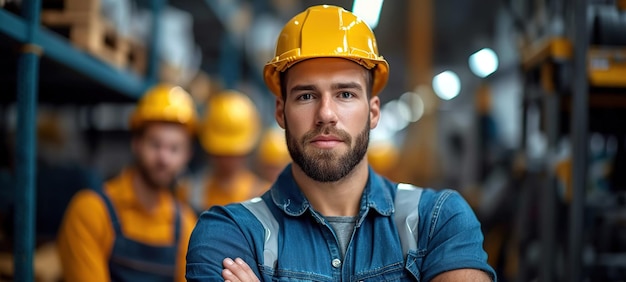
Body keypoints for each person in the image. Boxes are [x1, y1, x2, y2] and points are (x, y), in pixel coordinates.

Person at [186, 5, 496, 282]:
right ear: (281, 111)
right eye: (306, 95)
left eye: (345, 94)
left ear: (373, 111)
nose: (326, 114)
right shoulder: (229, 234)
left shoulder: (440, 219)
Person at [57, 84, 199, 282]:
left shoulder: (185, 224)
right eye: (155, 144)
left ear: (187, 156)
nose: (163, 159)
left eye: (174, 149)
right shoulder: (91, 211)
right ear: (136, 144)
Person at [178, 90, 269, 213]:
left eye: (233, 153)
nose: (226, 161)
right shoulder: (188, 192)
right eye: (221, 153)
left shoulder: (264, 196)